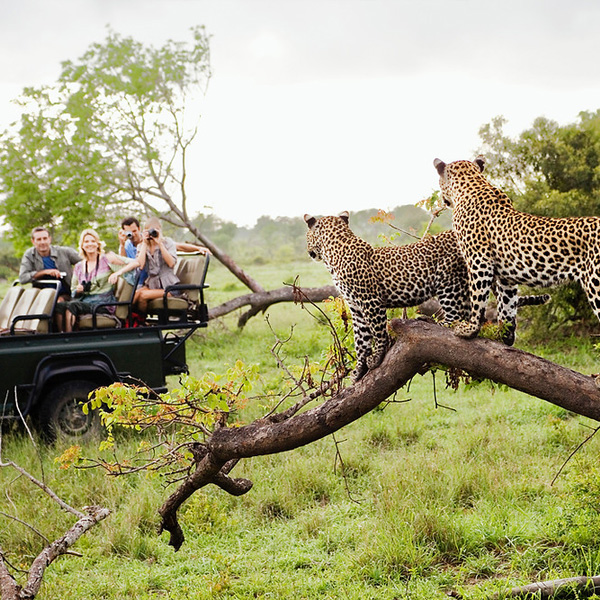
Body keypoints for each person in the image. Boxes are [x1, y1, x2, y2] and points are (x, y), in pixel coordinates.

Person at [55, 228, 139, 332]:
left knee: (73, 306)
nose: (90, 244)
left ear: (97, 243)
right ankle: (61, 335)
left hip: (103, 304)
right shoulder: (78, 266)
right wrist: (79, 290)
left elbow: (135, 263)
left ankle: (69, 338)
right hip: (85, 301)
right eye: (86, 241)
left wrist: (117, 273)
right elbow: (73, 292)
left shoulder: (107, 259)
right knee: (60, 306)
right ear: (82, 245)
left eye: (93, 241)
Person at [133, 217, 182, 315]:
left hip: (169, 287)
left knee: (143, 295)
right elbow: (140, 266)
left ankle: (141, 322)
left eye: (155, 231)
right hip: (152, 284)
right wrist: (144, 244)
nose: (152, 234)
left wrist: (160, 244)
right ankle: (131, 321)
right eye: (149, 231)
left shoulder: (167, 242)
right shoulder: (142, 246)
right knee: (135, 294)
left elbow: (171, 263)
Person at [19, 226, 81, 300]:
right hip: (41, 295)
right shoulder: (29, 255)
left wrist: (77, 273)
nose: (42, 242)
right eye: (39, 239)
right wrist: (45, 272)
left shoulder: (64, 252)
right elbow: (23, 278)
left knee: (57, 303)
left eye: (45, 238)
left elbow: (85, 262)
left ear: (49, 239)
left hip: (65, 293)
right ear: (33, 241)